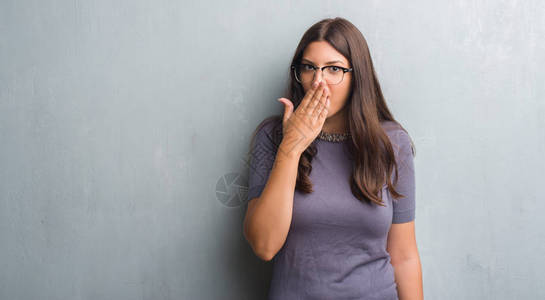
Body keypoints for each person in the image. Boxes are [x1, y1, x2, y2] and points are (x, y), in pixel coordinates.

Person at [243, 17, 423, 300]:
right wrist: (291, 147)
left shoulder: (391, 142)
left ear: (356, 76)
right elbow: (264, 245)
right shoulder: (272, 136)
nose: (318, 82)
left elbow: (404, 256)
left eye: (334, 69)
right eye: (309, 68)